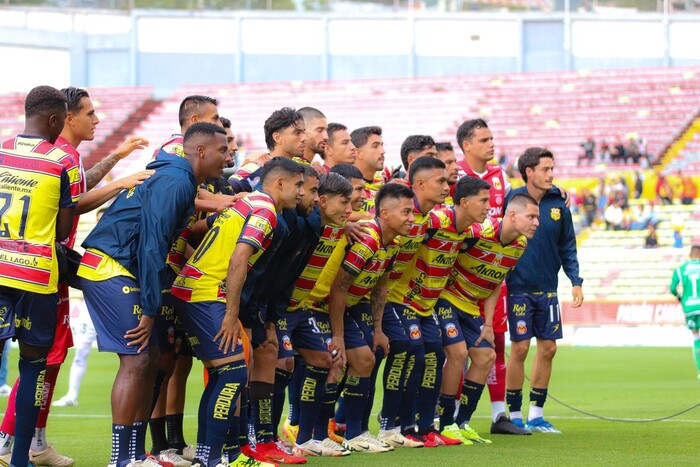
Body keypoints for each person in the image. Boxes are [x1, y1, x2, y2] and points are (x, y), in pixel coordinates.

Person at [77, 122, 230, 467]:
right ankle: (121, 459)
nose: (228, 156)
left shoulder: (179, 179)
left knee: (152, 359)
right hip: (111, 266)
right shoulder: (176, 180)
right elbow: (151, 246)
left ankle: (136, 454)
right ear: (201, 151)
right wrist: (149, 308)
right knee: (138, 359)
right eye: (222, 150)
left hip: (119, 265)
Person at [172, 157, 304, 467]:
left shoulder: (247, 203)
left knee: (224, 373)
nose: (300, 192)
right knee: (232, 373)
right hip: (205, 292)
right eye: (298, 185)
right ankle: (214, 457)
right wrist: (231, 314)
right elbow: (238, 260)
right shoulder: (266, 211)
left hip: (192, 287)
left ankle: (218, 456)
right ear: (280, 183)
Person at [299, 183, 415, 454]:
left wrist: (378, 329)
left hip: (351, 306)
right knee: (335, 363)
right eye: (406, 212)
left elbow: (381, 285)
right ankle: (317, 434)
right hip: (323, 305)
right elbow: (339, 287)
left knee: (364, 359)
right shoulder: (368, 240)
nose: (412, 218)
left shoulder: (393, 244)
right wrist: (338, 334)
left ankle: (353, 433)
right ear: (385, 214)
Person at [0, 85, 77, 467]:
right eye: (62, 119)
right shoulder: (64, 160)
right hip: (35, 277)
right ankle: (19, 462)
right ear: (53, 119)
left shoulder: (0, 150)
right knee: (32, 368)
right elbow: (64, 230)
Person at [388, 175, 491, 446]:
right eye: (484, 201)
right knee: (415, 357)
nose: (489, 207)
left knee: (432, 358)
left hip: (428, 305)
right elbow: (403, 227)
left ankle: (429, 426)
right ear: (464, 202)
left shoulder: (474, 232)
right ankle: (396, 424)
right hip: (402, 301)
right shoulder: (435, 221)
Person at [436, 194, 541, 444]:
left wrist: (489, 323)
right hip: (446, 298)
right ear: (512, 215)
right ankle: (445, 422)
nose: (537, 222)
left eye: (537, 217)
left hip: (471, 305)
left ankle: (462, 422)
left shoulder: (519, 245)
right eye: (532, 217)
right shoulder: (479, 231)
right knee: (458, 354)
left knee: (487, 356)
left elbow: (495, 281)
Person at [505, 147, 584, 434]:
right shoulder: (510, 200)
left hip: (548, 288)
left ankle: (536, 415)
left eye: (553, 169)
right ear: (529, 172)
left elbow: (568, 246)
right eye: (545, 169)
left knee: (548, 348)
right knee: (520, 348)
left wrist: (575, 281)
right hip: (516, 288)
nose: (551, 174)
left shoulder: (558, 205)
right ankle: (513, 414)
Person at [670, 245, 700, 378]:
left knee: (696, 338)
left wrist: (680, 297)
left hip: (689, 307)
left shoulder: (680, 269)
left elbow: (672, 288)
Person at [351, 126, 386, 213]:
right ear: (358, 153)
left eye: (382, 145)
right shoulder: (345, 183)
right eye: (375, 146)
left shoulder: (385, 184)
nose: (382, 151)